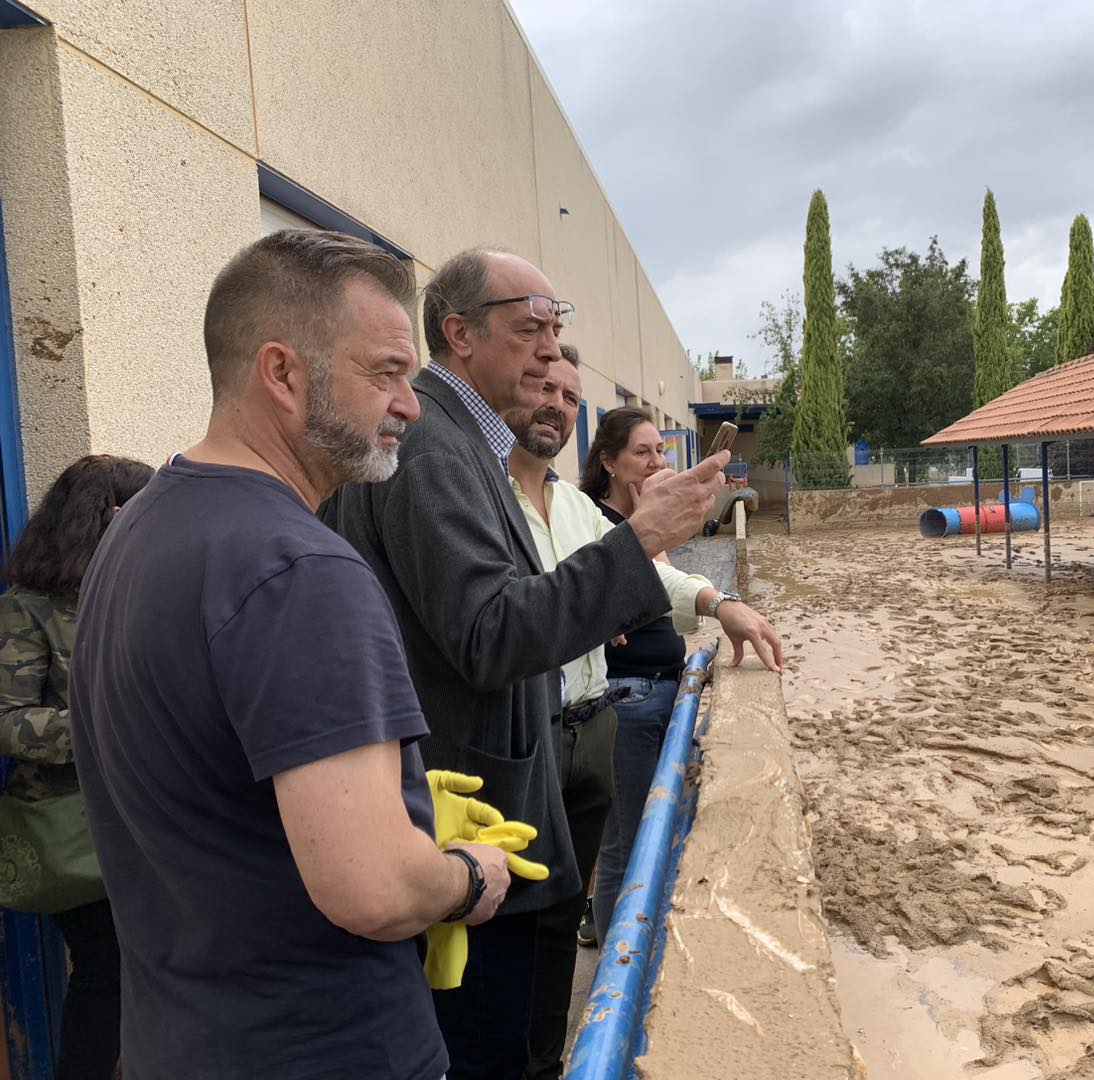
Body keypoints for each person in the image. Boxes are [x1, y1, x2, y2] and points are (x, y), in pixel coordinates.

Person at [69, 230, 509, 1080]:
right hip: (323, 1051)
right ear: (283, 373)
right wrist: (466, 875)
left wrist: (398, 793)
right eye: (384, 372)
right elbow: (373, 890)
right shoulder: (302, 569)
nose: (411, 405)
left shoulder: (137, 533)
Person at [323, 246, 729, 1080]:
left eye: (557, 325)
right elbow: (491, 633)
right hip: (465, 822)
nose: (551, 349)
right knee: (485, 1047)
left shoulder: (463, 443)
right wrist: (642, 537)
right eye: (529, 326)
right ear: (459, 333)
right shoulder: (436, 446)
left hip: (480, 816)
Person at [505, 349, 781, 1079]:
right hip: (527, 737)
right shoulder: (482, 499)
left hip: (588, 728)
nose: (557, 402)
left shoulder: (568, 506)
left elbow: (645, 569)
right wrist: (604, 602)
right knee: (521, 919)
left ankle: (550, 1052)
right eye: (540, 386)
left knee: (563, 906)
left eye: (569, 391)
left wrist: (721, 603)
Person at [580, 408, 782, 942]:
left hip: (654, 689)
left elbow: (665, 587)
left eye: (661, 450)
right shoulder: (597, 522)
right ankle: (615, 971)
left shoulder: (644, 519)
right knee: (628, 846)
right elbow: (665, 580)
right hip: (629, 697)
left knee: (634, 838)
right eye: (641, 452)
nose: (656, 462)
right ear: (607, 461)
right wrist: (722, 603)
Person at [0, 453, 153, 1080]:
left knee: (153, 966)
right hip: (73, 822)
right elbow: (9, 721)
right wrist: (99, 726)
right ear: (105, 519)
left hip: (144, 816)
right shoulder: (28, 607)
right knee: (106, 971)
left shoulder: (138, 588)